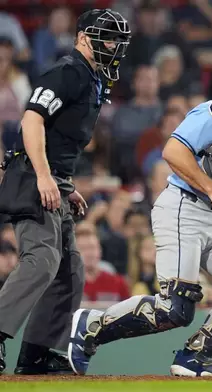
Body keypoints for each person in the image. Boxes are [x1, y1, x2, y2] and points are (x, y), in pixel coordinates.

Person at [68, 36, 212, 378]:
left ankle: (193, 357)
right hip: (183, 207)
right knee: (174, 308)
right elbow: (173, 151)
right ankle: (91, 326)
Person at [0, 9, 130, 375]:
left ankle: (36, 354)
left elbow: (60, 140)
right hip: (32, 177)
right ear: (84, 38)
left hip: (55, 180)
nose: (115, 48)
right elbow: (32, 119)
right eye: (108, 39)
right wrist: (44, 175)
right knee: (41, 259)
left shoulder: (90, 78)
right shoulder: (68, 71)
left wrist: (64, 185)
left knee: (69, 271)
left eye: (118, 41)